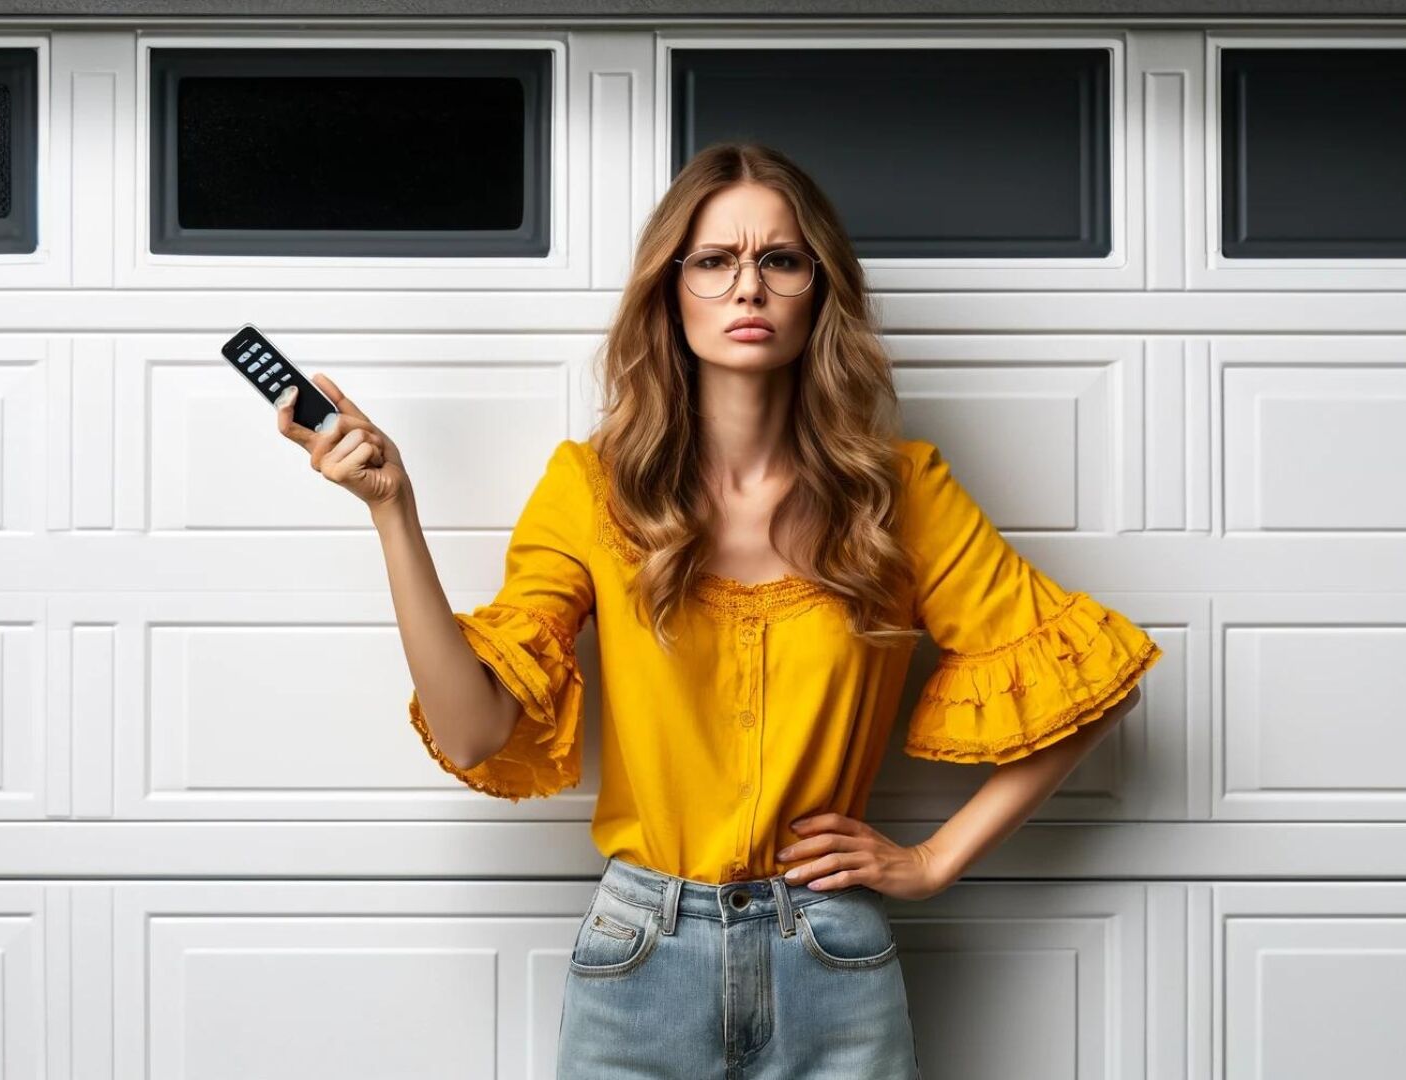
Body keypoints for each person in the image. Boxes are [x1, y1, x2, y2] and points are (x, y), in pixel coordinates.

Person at [274, 141, 1163, 1080]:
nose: (749, 288)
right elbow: (470, 731)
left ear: (819, 291)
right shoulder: (590, 488)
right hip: (639, 959)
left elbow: (1096, 690)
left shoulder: (900, 492)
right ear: (672, 291)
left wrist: (934, 860)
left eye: (780, 260)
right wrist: (393, 511)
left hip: (834, 959)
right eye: (714, 261)